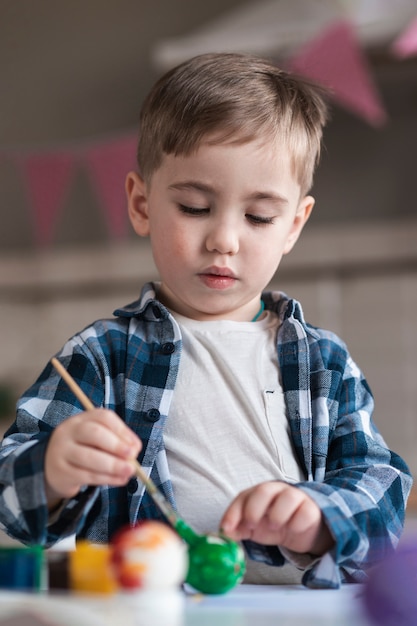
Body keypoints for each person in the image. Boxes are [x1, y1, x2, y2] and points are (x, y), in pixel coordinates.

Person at [0, 53, 412, 588]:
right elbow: (10, 489)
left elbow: (382, 491)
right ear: (142, 204)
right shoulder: (103, 356)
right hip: (147, 612)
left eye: (259, 217)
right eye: (195, 207)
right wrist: (53, 468)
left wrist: (319, 518)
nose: (224, 239)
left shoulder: (323, 364)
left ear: (293, 225)